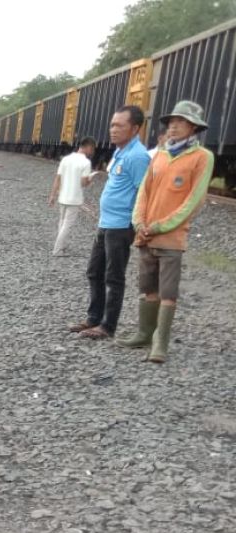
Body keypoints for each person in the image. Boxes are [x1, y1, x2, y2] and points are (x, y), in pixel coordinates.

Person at [121, 100, 215, 362]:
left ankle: (159, 344)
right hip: (146, 234)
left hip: (171, 237)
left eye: (180, 122)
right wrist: (139, 221)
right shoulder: (160, 154)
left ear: (194, 127)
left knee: (168, 292)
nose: (173, 126)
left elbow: (194, 201)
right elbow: (144, 190)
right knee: (147, 287)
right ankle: (143, 334)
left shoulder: (202, 157)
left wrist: (162, 225)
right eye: (171, 122)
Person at [69, 105, 150, 340]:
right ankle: (93, 318)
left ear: (135, 128)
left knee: (113, 277)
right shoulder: (119, 151)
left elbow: (142, 193)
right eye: (112, 125)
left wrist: (136, 225)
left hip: (121, 226)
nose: (113, 130)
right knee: (94, 272)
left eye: (119, 125)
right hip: (106, 223)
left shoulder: (137, 156)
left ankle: (107, 326)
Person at [48, 137, 97, 257]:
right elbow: (83, 183)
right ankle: (57, 250)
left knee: (62, 222)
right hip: (74, 198)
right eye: (93, 149)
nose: (93, 152)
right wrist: (90, 179)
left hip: (63, 196)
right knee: (67, 225)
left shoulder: (66, 159)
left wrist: (52, 195)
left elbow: (57, 178)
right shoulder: (86, 163)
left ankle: (62, 246)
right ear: (88, 147)